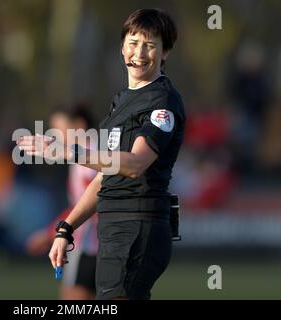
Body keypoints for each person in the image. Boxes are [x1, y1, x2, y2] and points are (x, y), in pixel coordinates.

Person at [17, 8, 185, 300]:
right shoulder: (121, 101)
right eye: (133, 42)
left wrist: (68, 150)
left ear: (165, 52)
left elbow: (134, 164)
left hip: (138, 226)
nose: (140, 52)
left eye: (150, 44)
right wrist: (66, 229)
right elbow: (106, 176)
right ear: (122, 48)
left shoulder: (163, 100)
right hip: (113, 230)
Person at [25, 106, 98, 300]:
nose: (56, 136)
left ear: (79, 126)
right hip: (106, 245)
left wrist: (52, 232)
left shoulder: (88, 160)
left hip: (88, 247)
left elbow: (88, 205)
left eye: (60, 129)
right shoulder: (93, 154)